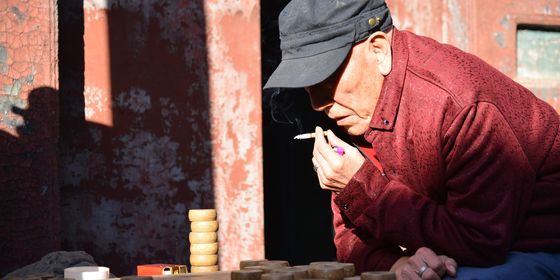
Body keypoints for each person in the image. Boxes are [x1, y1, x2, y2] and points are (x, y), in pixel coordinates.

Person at [263, 0, 560, 279]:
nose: (318, 103)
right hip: (463, 250)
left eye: (326, 78)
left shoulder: (459, 106)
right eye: (309, 86)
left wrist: (361, 187)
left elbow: (481, 242)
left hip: (536, 249)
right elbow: (349, 241)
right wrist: (399, 264)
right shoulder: (350, 108)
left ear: (378, 50)